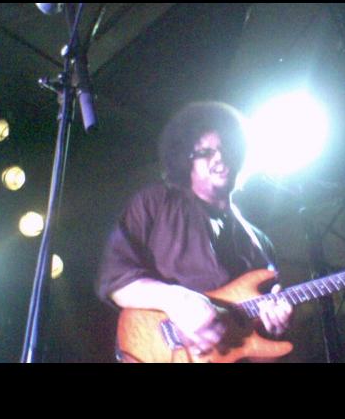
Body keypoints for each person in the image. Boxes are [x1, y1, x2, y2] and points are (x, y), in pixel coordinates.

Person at [96, 101, 293, 362]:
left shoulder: (260, 244)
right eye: (206, 152)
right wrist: (176, 301)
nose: (220, 158)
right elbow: (115, 280)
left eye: (227, 149)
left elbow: (260, 352)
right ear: (186, 161)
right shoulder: (155, 203)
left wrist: (273, 329)